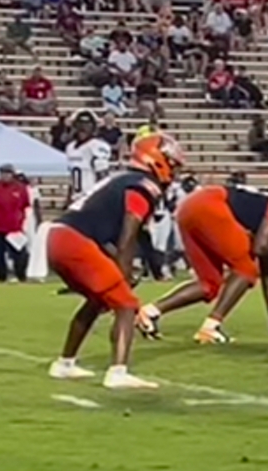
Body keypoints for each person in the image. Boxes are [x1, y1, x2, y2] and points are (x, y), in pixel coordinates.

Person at [45, 133, 184, 389]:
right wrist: (124, 271)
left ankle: (64, 364)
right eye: (172, 163)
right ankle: (118, 372)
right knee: (126, 304)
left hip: (58, 236)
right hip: (75, 240)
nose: (173, 170)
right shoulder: (143, 186)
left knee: (98, 301)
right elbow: (128, 235)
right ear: (156, 159)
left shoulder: (123, 178)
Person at [137, 186, 268, 345]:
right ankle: (211, 327)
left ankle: (150, 313)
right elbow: (260, 248)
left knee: (209, 284)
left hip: (191, 206)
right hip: (212, 203)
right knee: (246, 270)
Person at [0, 164, 32, 282]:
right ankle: (1, 276)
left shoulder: (20, 188)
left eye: (7, 173)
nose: (5, 176)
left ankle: (20, 275)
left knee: (18, 253)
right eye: (3, 173)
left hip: (14, 227)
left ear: (12, 174)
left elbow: (25, 205)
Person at [65, 110, 113, 206]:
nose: (83, 129)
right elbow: (73, 178)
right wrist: (68, 199)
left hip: (91, 198)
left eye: (87, 125)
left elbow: (103, 177)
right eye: (80, 125)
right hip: (76, 198)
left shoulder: (97, 146)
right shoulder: (70, 147)